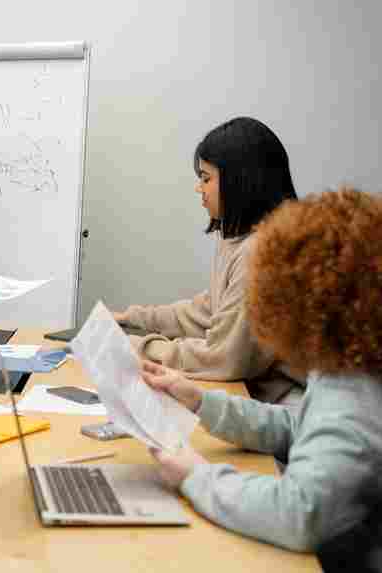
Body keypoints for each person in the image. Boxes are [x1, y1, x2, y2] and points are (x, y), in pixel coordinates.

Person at [141, 188, 382, 552]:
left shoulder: (352, 396)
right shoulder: (351, 366)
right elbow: (299, 428)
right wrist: (200, 401)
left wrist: (196, 476)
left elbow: (297, 515)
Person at [113, 117, 300, 403]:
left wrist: (140, 347)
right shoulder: (239, 238)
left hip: (288, 408)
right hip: (255, 395)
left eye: (206, 178)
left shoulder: (261, 252)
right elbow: (210, 312)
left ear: (239, 180)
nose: (199, 188)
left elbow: (225, 358)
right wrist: (133, 318)